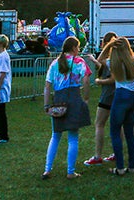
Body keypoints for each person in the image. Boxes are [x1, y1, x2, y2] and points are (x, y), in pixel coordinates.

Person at [42, 36, 91, 180]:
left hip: (58, 100)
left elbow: (47, 86)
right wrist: (86, 98)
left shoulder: (55, 63)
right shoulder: (79, 62)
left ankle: (47, 169)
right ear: (74, 48)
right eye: (78, 47)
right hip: (74, 99)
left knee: (55, 136)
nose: (79, 49)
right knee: (73, 138)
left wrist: (46, 105)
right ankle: (70, 171)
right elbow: (86, 79)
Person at [105, 36, 134, 176]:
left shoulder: (113, 63)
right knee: (129, 132)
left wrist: (109, 45)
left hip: (121, 95)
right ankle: (132, 166)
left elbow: (99, 61)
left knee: (115, 131)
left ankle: (120, 167)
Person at [84, 31, 118, 166]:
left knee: (99, 124)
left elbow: (102, 64)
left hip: (107, 95)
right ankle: (117, 152)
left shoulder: (109, 59)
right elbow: (101, 65)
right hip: (118, 95)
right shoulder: (119, 58)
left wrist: (99, 81)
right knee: (117, 125)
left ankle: (98, 156)